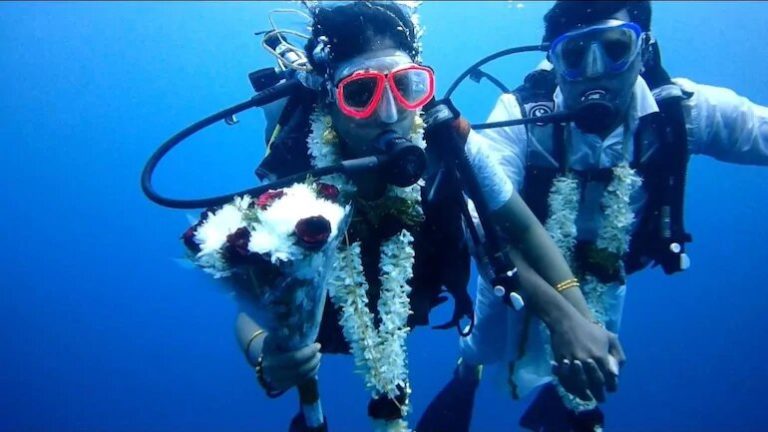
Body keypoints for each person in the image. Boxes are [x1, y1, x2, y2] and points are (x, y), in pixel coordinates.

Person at [231, 1, 624, 430]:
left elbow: (524, 228)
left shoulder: (447, 138)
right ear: (330, 98)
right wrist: (264, 353)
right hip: (324, 327)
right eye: (360, 93)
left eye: (407, 86)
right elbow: (248, 304)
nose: (390, 113)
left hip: (418, 295)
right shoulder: (296, 172)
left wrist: (579, 318)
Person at [420, 1, 768, 431]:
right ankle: (466, 372)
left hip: (607, 269)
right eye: (575, 54)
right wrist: (565, 318)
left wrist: (576, 326)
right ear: (554, 59)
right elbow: (481, 227)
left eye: (615, 47)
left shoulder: (678, 112)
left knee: (598, 353)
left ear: (645, 49)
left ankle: (569, 407)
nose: (596, 69)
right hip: (516, 267)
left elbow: (758, 131)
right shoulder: (521, 115)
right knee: (487, 341)